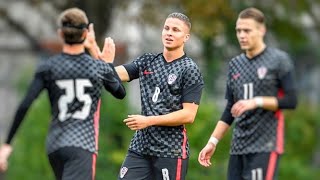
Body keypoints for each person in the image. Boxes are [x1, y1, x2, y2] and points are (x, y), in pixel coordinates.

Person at [0, 7, 125, 180]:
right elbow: (119, 92)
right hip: (82, 145)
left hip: (56, 145)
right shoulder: (97, 66)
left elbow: (26, 103)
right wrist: (107, 62)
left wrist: (7, 144)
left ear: (60, 34)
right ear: (85, 34)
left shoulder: (49, 67)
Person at [88, 12, 203, 180]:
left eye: (176, 30)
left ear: (186, 37)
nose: (169, 33)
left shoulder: (189, 69)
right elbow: (115, 75)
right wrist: (103, 62)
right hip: (140, 148)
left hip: (170, 151)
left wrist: (148, 120)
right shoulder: (148, 60)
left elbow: (189, 115)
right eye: (166, 28)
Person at [198, 7, 297, 180]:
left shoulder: (278, 60)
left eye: (247, 30)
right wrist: (212, 142)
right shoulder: (235, 64)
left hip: (265, 146)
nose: (242, 35)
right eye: (238, 31)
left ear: (262, 30)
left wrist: (256, 101)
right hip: (238, 148)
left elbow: (291, 100)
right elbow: (230, 108)